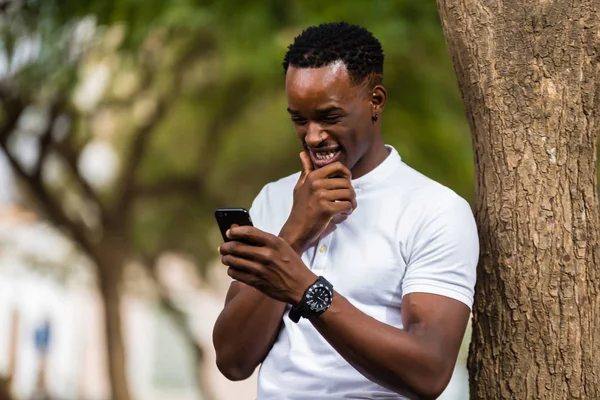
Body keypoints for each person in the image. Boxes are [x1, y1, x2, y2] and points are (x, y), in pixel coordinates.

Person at [213, 22, 478, 400]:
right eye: (299, 119)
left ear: (376, 101)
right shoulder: (273, 199)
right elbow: (232, 360)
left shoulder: (434, 209)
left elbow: (429, 372)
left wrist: (303, 287)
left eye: (330, 117)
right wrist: (294, 234)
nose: (313, 135)